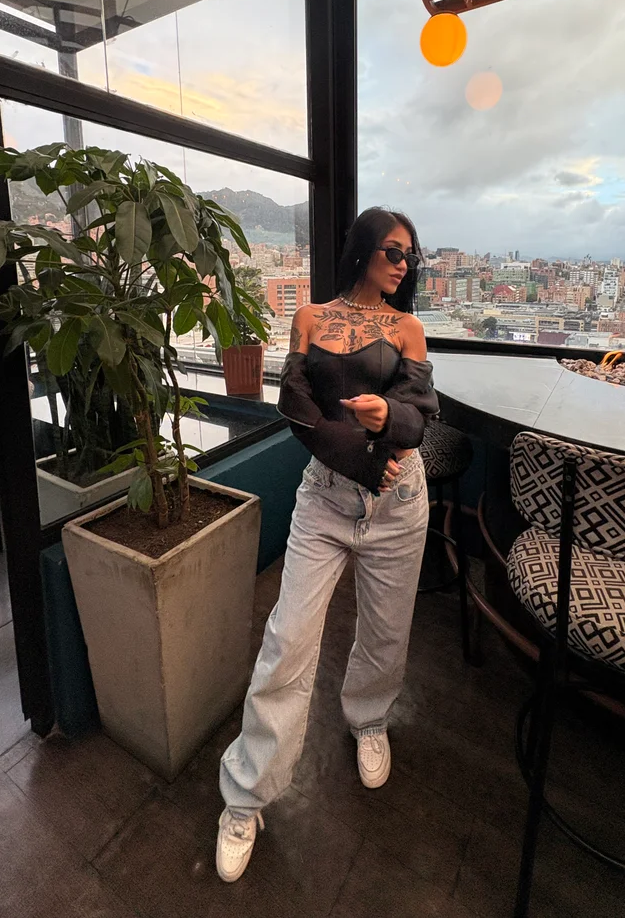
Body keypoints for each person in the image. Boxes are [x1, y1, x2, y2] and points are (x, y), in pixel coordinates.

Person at [216, 207, 439, 883]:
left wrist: (388, 416)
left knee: (385, 629)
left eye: (411, 256)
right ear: (363, 249)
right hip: (327, 499)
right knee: (287, 638)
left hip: (399, 503)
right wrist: (364, 455)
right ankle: (245, 794)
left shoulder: (409, 328)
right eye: (393, 251)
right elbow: (295, 404)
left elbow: (419, 414)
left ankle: (369, 718)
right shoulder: (310, 317)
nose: (403, 264)